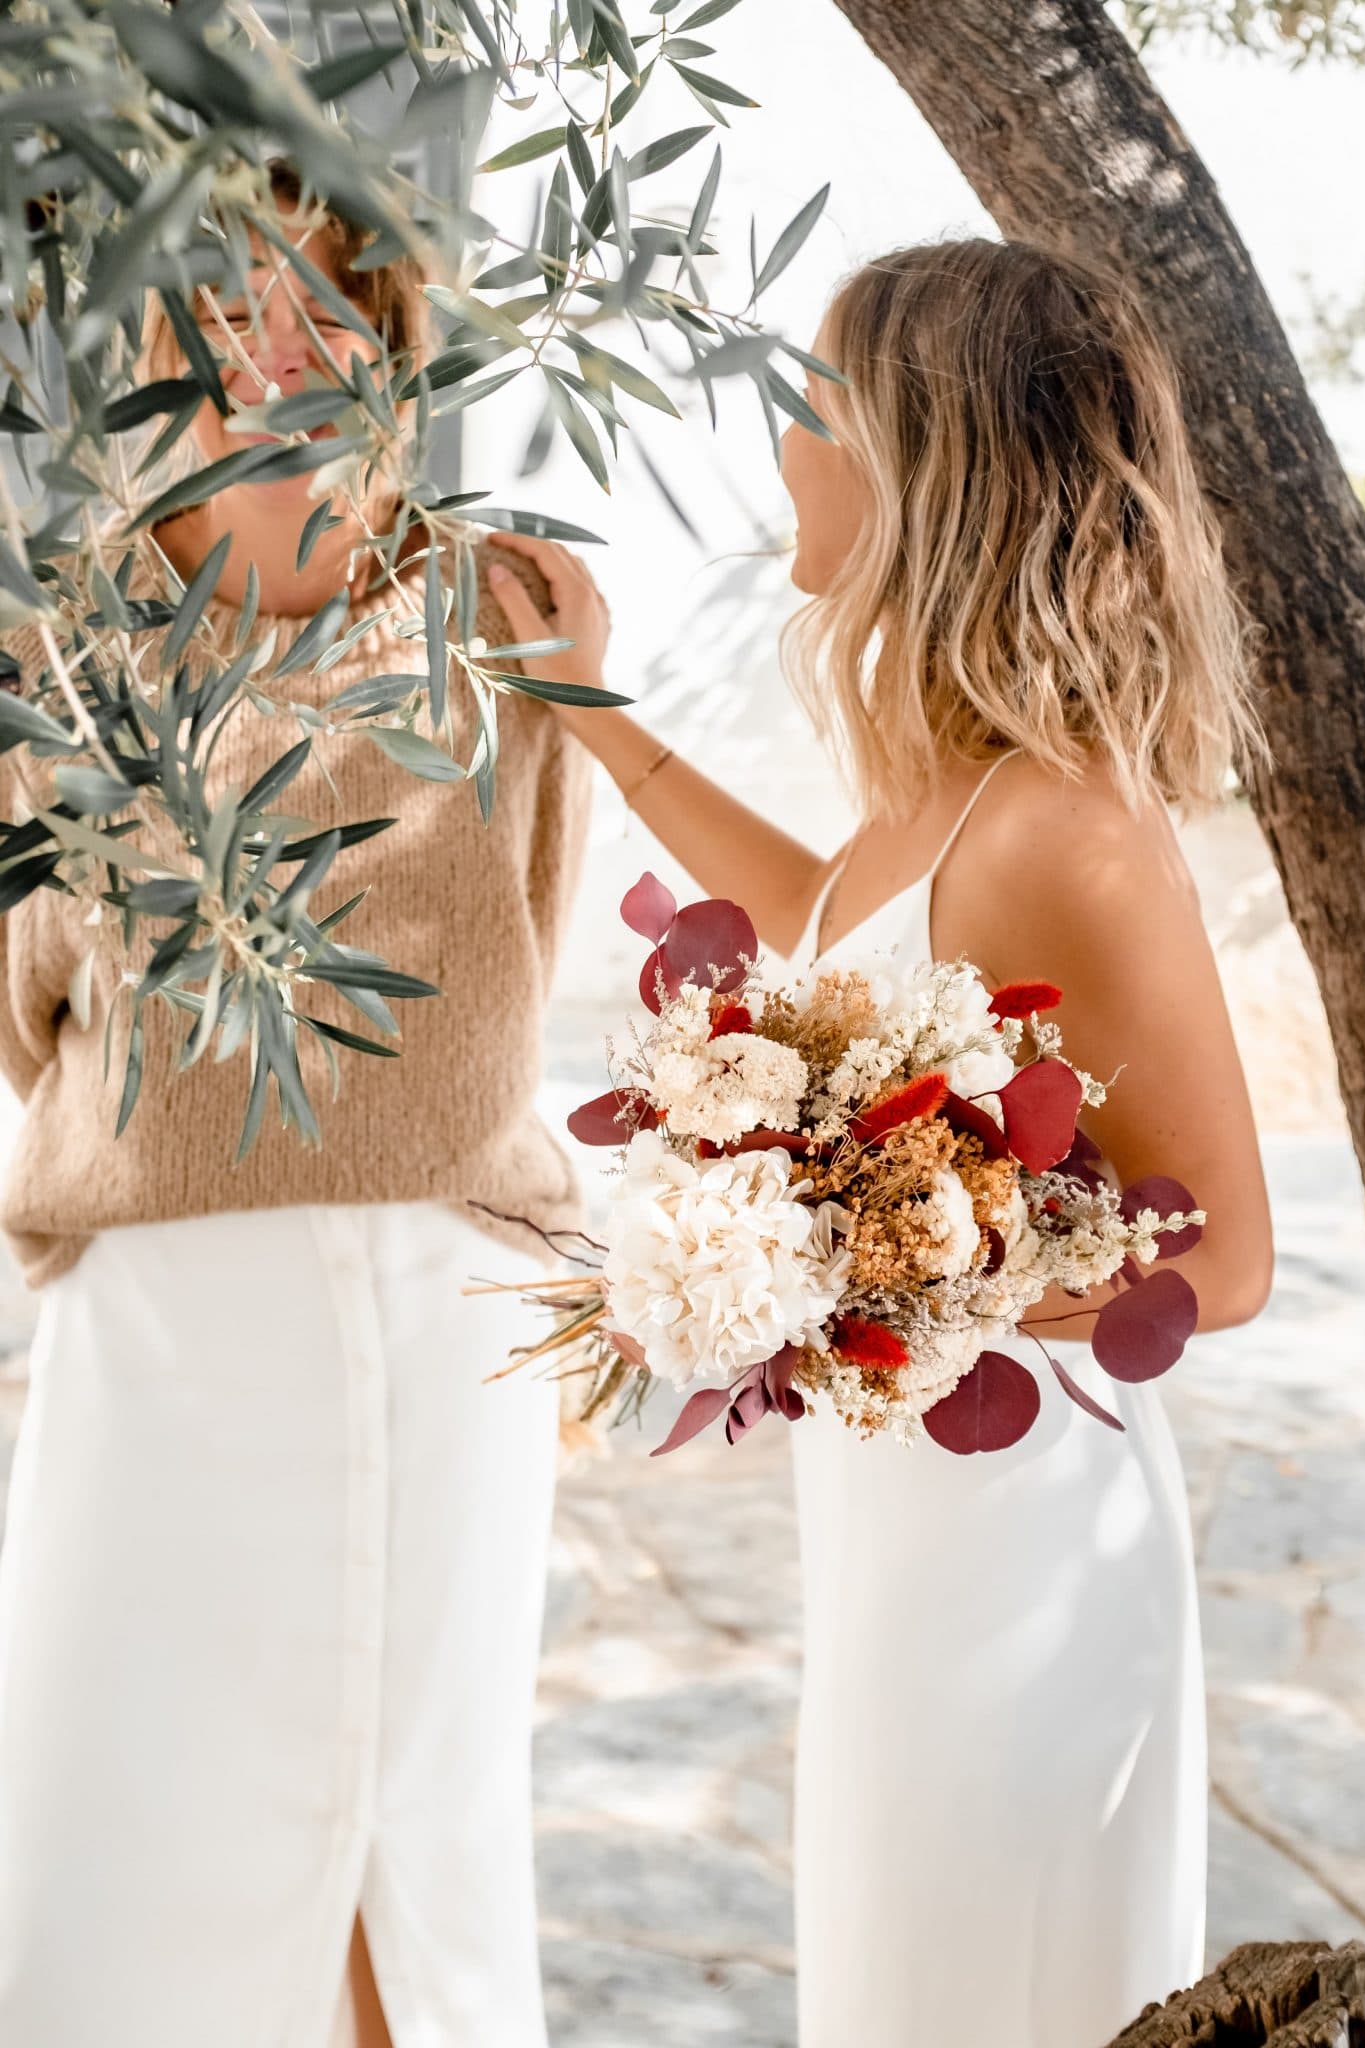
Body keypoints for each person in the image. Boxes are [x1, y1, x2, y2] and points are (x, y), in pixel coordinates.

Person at [486, 237, 1276, 2046]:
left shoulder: (1067, 825)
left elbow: (1224, 1261)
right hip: (904, 1509)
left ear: (924, 462)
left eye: (815, 406)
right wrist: (590, 714)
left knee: (989, 1976)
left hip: (1024, 1538)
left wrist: (856, 1260)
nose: (783, 440)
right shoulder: (956, 790)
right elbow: (823, 923)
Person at [0, 174, 589, 2047]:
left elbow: (529, 926)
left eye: (318, 300)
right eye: (217, 301)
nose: (269, 337)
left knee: (411, 1830)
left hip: (450, 1307)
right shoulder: (60, 650)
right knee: (122, 1821)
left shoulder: (502, 611)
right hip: (163, 1328)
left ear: (386, 345)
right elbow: (31, 999)